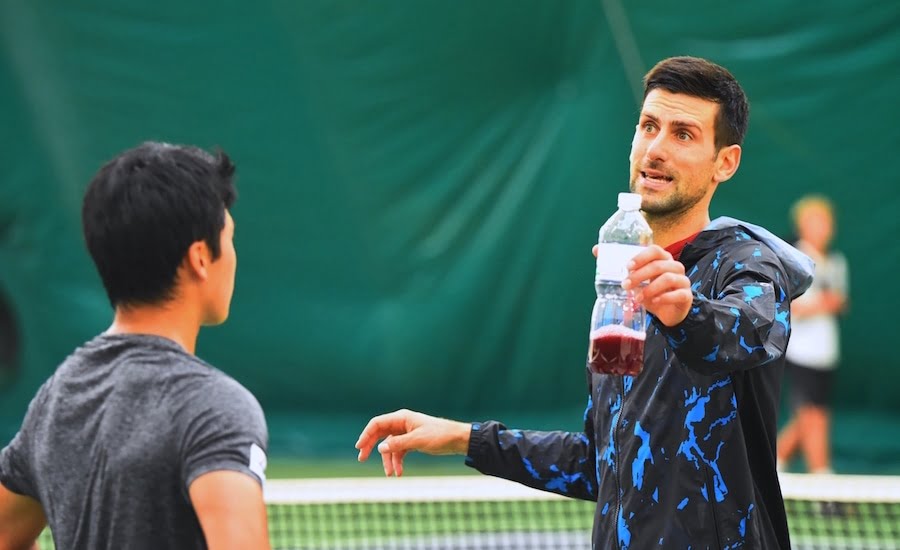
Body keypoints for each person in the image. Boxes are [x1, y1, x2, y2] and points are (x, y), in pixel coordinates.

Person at [355, 56, 814, 549]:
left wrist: (686, 313)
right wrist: (466, 439)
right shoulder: (622, 278)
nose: (655, 149)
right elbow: (601, 465)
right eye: (648, 126)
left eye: (683, 134)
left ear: (725, 161)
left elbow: (749, 332)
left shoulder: (747, 264)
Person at [0, 142, 270, 550]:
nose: (233, 255)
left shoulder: (56, 399)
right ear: (200, 257)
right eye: (228, 237)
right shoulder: (218, 409)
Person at [777, 196, 848, 474]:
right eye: (815, 222)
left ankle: (773, 463)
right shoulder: (794, 258)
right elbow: (785, 306)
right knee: (813, 415)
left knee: (812, 414)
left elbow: (841, 301)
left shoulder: (836, 261)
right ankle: (823, 479)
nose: (822, 228)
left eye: (826, 222)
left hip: (827, 352)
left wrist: (830, 304)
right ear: (802, 225)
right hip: (798, 351)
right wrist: (821, 304)